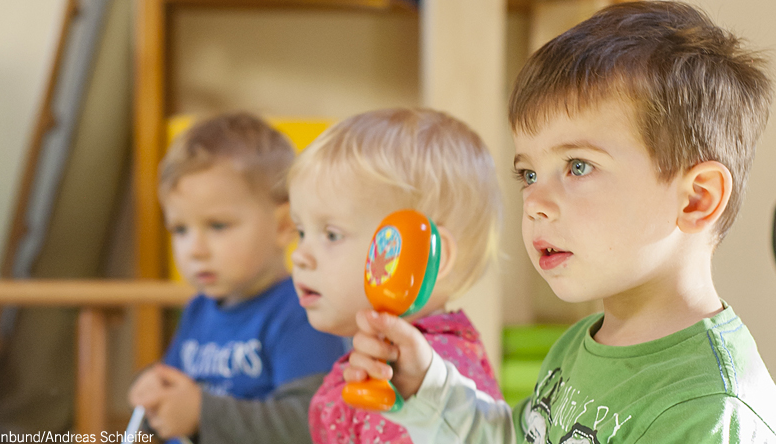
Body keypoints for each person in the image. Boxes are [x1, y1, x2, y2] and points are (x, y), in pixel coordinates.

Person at [344, 2, 776, 443]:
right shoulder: (578, 345)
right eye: (529, 174)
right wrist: (425, 388)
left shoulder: (710, 411)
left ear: (696, 198)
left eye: (578, 166)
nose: (534, 204)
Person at [287, 107, 513, 444]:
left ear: (428, 256)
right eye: (301, 231)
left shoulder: (425, 383)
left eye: (332, 235)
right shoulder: (383, 355)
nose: (299, 256)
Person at [127, 113, 348, 444]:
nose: (195, 250)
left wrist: (201, 413)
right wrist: (156, 394)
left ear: (284, 225)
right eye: (180, 229)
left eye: (218, 226)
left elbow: (311, 423)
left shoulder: (304, 312)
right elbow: (177, 396)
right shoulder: (198, 310)